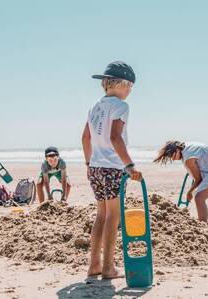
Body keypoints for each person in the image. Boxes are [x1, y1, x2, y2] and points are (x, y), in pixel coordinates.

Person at [82, 61, 142, 278]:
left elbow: (86, 137)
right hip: (113, 168)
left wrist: (89, 164)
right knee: (113, 217)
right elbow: (115, 137)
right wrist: (130, 165)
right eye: (130, 86)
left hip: (96, 167)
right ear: (122, 84)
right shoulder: (121, 106)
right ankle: (108, 267)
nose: (130, 91)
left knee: (101, 215)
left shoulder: (95, 106)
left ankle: (94, 265)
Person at [154, 141, 208, 228]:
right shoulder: (188, 147)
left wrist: (190, 192)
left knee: (199, 198)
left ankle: (203, 228)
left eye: (171, 155)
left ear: (177, 149)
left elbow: (199, 179)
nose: (172, 159)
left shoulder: (188, 158)